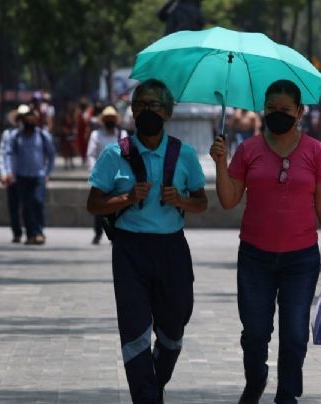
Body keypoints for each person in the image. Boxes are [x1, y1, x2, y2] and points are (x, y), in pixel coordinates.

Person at [209, 79, 321, 404]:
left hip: (301, 259)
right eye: (271, 109)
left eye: (285, 110)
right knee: (255, 333)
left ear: (299, 112)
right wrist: (220, 164)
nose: (277, 114)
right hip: (255, 258)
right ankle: (256, 381)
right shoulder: (249, 150)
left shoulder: (315, 151)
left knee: (295, 336)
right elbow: (229, 200)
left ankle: (287, 395)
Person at [86, 79, 208, 403]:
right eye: (140, 105)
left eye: (154, 105)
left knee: (174, 327)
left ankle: (153, 384)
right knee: (135, 330)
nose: (147, 111)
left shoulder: (184, 155)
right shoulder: (115, 155)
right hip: (130, 250)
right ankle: (146, 397)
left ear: (167, 112)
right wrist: (126, 197)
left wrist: (181, 200)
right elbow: (94, 204)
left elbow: (201, 202)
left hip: (172, 249)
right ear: (132, 112)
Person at [0, 105, 56, 245]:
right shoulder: (15, 136)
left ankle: (39, 231)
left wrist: (48, 172)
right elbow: (7, 154)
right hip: (21, 175)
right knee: (25, 205)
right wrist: (7, 171)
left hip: (38, 175)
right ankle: (31, 234)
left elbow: (51, 154)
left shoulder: (42, 135)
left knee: (37, 202)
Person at [87, 106, 129, 245]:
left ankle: (114, 232)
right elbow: (91, 154)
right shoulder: (95, 135)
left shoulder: (122, 134)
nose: (110, 121)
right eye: (107, 119)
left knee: (116, 205)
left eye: (112, 119)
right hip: (102, 176)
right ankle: (98, 233)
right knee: (99, 205)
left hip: (118, 175)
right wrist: (95, 172)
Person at [0, 105, 29, 243]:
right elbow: (2, 154)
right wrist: (4, 173)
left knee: (29, 205)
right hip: (12, 176)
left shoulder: (34, 134)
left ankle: (31, 231)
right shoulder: (8, 134)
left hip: (28, 175)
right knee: (14, 206)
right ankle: (17, 232)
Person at [55, 102, 77, 169]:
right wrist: (64, 130)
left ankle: (71, 162)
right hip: (64, 135)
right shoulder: (62, 115)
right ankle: (66, 163)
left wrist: (73, 130)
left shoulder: (73, 115)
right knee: (65, 149)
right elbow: (60, 125)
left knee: (71, 149)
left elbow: (75, 124)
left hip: (71, 134)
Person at [76, 99, 93, 164]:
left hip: (85, 131)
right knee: (82, 145)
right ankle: (83, 157)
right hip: (82, 131)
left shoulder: (87, 112)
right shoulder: (80, 113)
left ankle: (85, 157)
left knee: (86, 145)